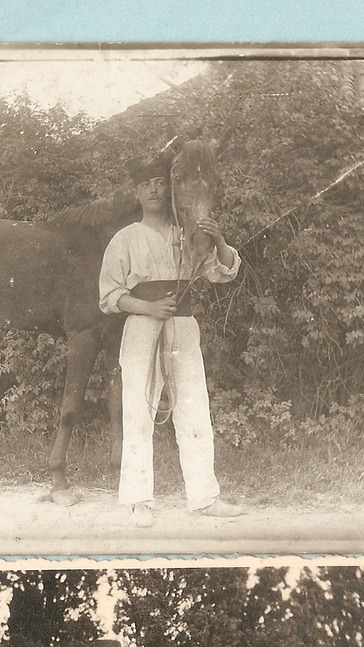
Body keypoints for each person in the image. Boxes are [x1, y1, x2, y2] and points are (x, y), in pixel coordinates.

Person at [99, 152, 244, 526]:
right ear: (136, 191)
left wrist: (219, 239)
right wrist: (147, 308)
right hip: (142, 328)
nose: (153, 190)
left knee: (194, 408)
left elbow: (222, 272)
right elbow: (109, 296)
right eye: (145, 184)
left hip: (183, 326)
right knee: (139, 409)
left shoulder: (189, 234)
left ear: (170, 187)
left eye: (159, 183)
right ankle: (138, 500)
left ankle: (204, 497)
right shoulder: (125, 238)